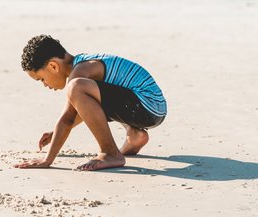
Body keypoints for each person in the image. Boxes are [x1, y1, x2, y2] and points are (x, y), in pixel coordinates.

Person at [14, 35, 167, 171]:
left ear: (53, 66)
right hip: (153, 109)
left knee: (76, 88)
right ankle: (135, 135)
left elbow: (67, 119)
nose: (45, 85)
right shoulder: (82, 63)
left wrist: (47, 160)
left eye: (41, 79)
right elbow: (85, 109)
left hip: (146, 105)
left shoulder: (81, 70)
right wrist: (55, 134)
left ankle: (110, 153)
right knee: (81, 93)